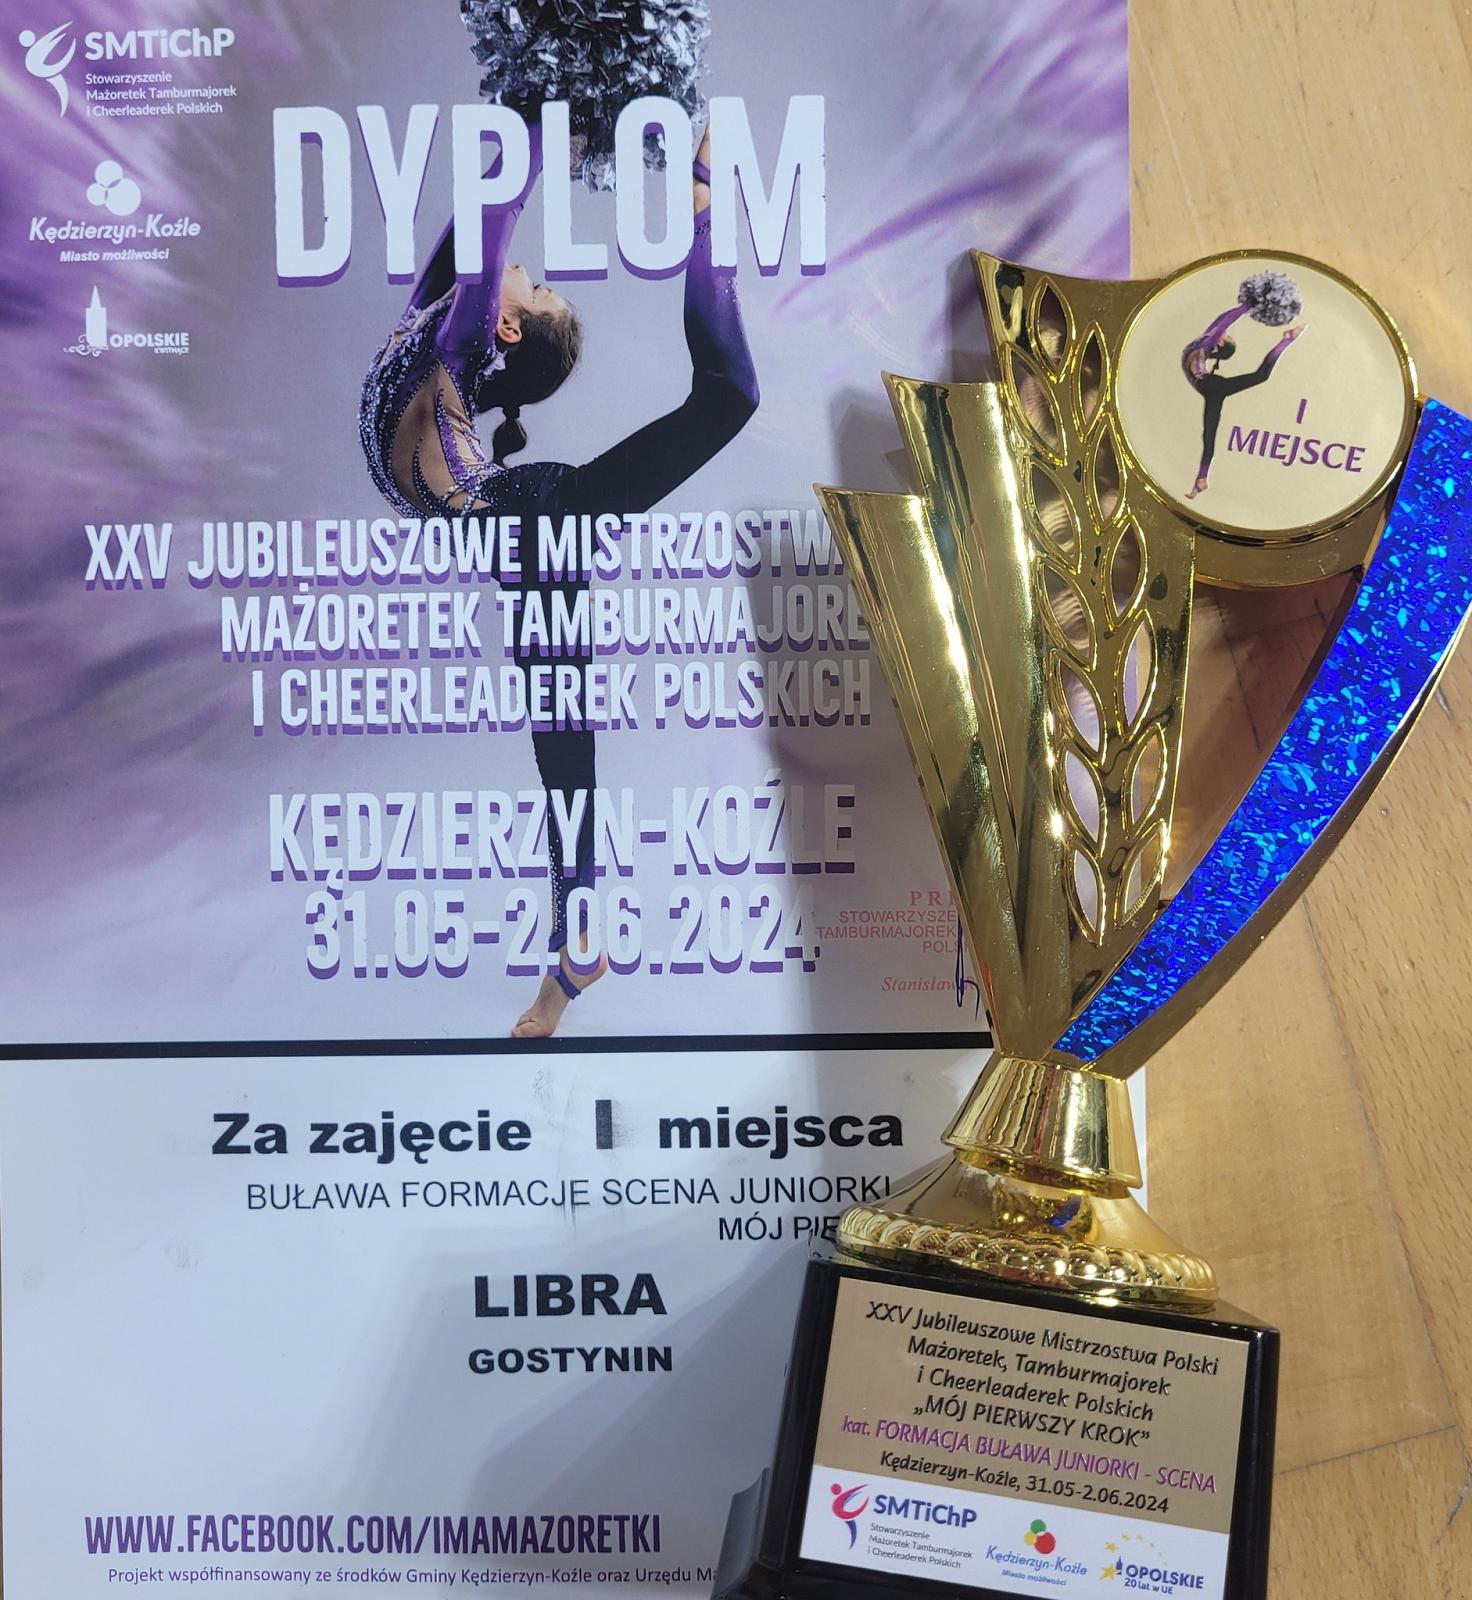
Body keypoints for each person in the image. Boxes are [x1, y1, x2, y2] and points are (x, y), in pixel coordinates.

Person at [360, 123, 758, 1035]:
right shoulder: (438, 333)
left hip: (536, 515)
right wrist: (547, 125)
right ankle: (575, 947)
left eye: (532, 288)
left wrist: (542, 125)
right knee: (562, 746)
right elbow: (474, 227)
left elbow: (487, 225)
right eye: (537, 279)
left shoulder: (455, 335)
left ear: (504, 326)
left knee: (730, 397)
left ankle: (704, 207)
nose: (524, 271)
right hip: (527, 528)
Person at [1180, 305, 1304, 498]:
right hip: (1212, 389)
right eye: (1229, 335)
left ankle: (1287, 340)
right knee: (1209, 435)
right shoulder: (1205, 342)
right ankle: (1201, 479)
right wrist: (1246, 305)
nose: (1227, 333)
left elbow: (1226, 319)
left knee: (1210, 435)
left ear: (1220, 342)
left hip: (1210, 386)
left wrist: (1247, 306)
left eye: (1228, 336)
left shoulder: (1207, 342)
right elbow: (1222, 318)